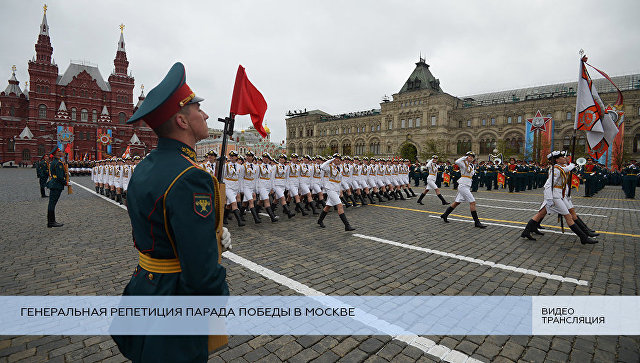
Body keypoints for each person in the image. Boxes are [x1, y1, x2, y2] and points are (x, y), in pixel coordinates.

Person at [111, 62, 231, 362]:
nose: (204, 114)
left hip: (145, 285)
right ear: (181, 120)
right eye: (197, 108)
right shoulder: (191, 177)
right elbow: (201, 274)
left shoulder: (146, 165)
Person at [520, 151, 597, 244]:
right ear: (557, 160)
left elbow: (566, 170)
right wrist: (549, 199)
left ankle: (526, 231)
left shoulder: (559, 168)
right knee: (568, 216)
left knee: (541, 214)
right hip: (554, 196)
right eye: (562, 157)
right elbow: (548, 185)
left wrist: (571, 165)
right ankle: (583, 237)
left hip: (559, 194)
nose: (564, 158)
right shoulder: (556, 169)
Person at [440, 151, 486, 228]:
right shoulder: (463, 163)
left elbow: (472, 174)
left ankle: (445, 215)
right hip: (463, 185)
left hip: (467, 185)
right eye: (469, 156)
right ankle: (476, 222)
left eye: (472, 156)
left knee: (457, 202)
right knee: (472, 202)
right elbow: (456, 161)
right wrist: (465, 158)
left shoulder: (471, 165)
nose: (470, 158)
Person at [317, 153, 356, 231]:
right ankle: (347, 226)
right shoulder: (329, 167)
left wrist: (340, 189)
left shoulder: (340, 168)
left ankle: (320, 220)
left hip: (337, 189)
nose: (337, 159)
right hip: (330, 189)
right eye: (336, 158)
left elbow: (339, 180)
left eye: (339, 158)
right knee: (340, 205)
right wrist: (331, 160)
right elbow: (322, 166)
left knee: (328, 206)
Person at [46, 147, 66, 228]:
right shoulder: (58, 163)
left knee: (51, 203)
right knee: (52, 204)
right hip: (56, 185)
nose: (61, 152)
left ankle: (51, 221)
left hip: (54, 184)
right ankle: (51, 222)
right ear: (56, 153)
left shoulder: (54, 162)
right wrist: (66, 183)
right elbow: (60, 177)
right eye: (60, 151)